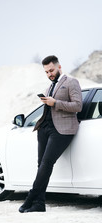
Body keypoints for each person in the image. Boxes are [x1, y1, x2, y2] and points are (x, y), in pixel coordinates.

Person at [19, 55, 83, 213]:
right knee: (41, 166)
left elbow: (78, 106)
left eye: (51, 70)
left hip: (62, 129)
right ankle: (39, 204)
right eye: (46, 72)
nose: (49, 74)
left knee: (47, 164)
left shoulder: (71, 82)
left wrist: (55, 103)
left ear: (59, 67)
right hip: (45, 128)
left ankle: (30, 198)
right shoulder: (49, 87)